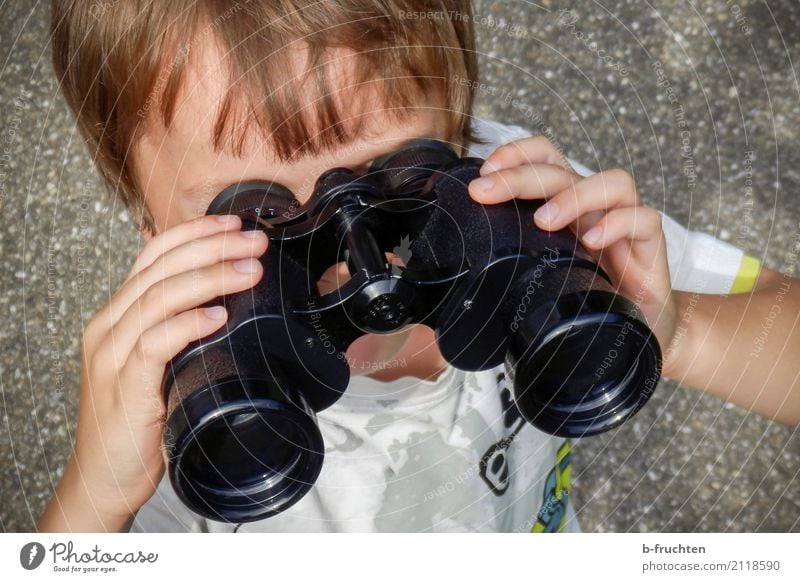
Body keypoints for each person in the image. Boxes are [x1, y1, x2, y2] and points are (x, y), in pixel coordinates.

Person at [38, 0, 799, 533]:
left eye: (397, 176)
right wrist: (95, 497)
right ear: (152, 231)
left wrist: (675, 328)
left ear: (463, 138)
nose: (355, 265)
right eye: (256, 214)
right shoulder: (165, 387)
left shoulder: (521, 206)